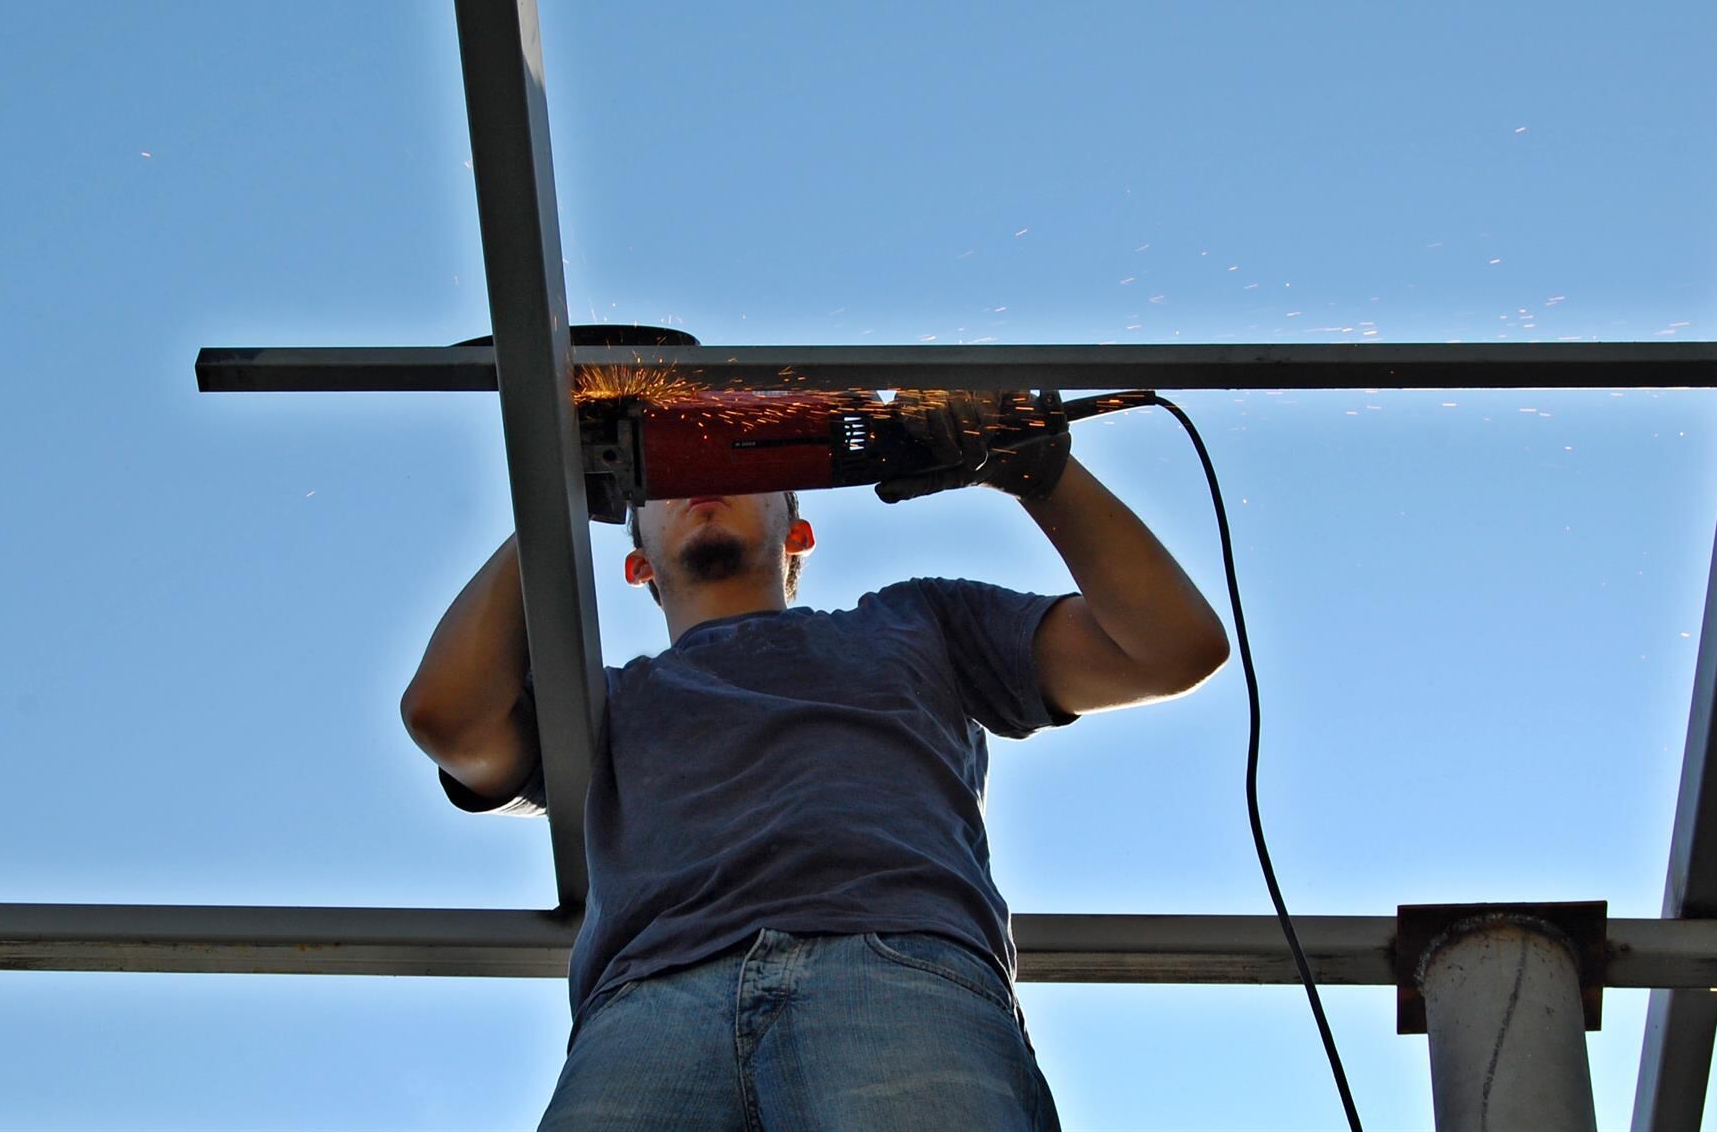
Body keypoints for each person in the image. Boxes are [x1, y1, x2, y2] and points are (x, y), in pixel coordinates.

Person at [400, 390, 1231, 1131]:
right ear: (636, 560)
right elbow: (447, 714)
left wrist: (1040, 473)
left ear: (798, 527)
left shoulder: (915, 623)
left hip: (897, 973)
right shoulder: (605, 704)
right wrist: (560, 493)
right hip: (649, 1008)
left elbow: (1167, 648)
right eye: (672, 467)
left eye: (732, 453)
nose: (703, 470)